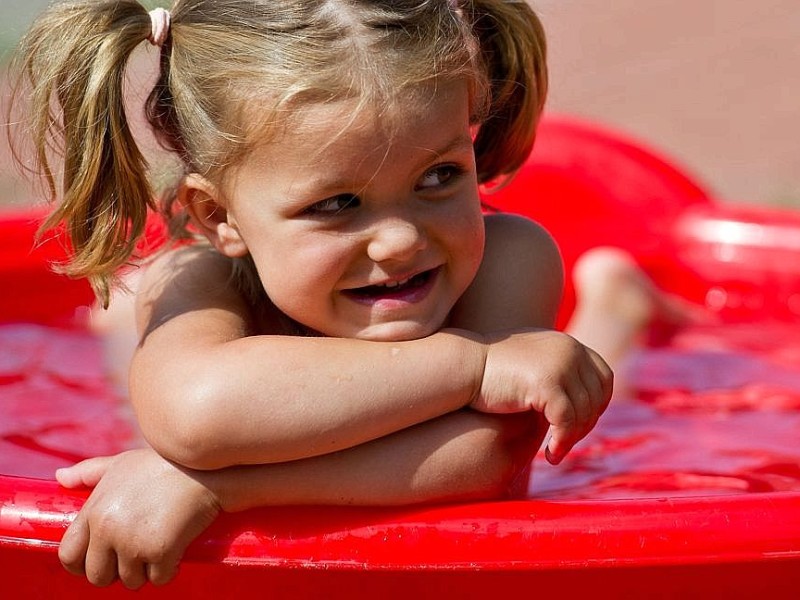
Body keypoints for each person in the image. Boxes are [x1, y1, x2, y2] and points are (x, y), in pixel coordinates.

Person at [11, 0, 614, 590]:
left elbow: (493, 458)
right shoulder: (203, 283)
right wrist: (476, 364)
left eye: (439, 175)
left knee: (593, 388)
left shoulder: (506, 258)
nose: (401, 241)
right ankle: (119, 321)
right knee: (140, 352)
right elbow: (191, 417)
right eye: (334, 204)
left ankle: (617, 308)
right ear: (220, 214)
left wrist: (224, 489)